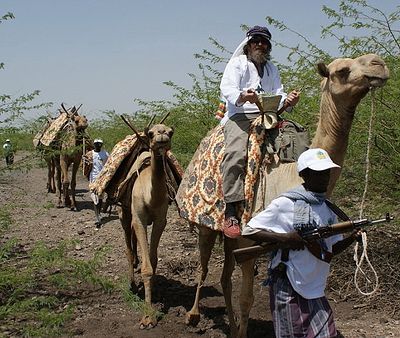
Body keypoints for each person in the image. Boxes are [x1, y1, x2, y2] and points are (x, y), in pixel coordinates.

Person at [242, 148, 362, 337]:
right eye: (319, 173)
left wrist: (352, 238)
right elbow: (249, 230)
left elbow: (330, 249)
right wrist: (285, 238)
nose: (325, 177)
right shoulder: (286, 203)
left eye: (327, 172)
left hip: (315, 286)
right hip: (290, 283)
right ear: (304, 174)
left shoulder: (328, 208)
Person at [220, 25, 300, 238]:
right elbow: (226, 88)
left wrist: (289, 100)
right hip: (241, 116)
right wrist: (243, 96)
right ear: (248, 45)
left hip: (269, 115)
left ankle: (298, 200)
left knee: (297, 142)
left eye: (264, 42)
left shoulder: (272, 68)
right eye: (256, 41)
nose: (260, 45)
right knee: (235, 154)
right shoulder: (237, 64)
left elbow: (278, 94)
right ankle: (230, 211)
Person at [88, 139, 109, 228]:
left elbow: (109, 164)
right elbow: (86, 166)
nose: (98, 145)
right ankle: (97, 217)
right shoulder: (90, 154)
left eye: (100, 144)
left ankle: (99, 213)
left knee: (100, 197)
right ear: (94, 144)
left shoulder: (105, 154)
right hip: (93, 178)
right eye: (97, 144)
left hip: (102, 178)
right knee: (95, 197)